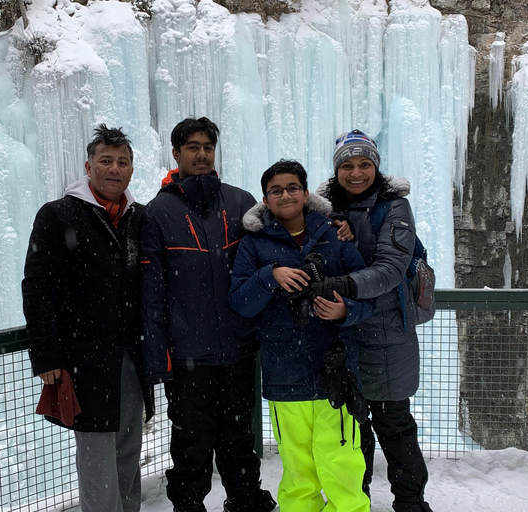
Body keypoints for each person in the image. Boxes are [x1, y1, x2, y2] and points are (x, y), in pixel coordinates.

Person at [140, 117, 276, 512]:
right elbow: (151, 293)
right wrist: (159, 357)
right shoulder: (158, 212)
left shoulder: (239, 202)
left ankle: (245, 499)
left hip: (237, 348)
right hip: (188, 356)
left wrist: (336, 227)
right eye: (192, 147)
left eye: (208, 147)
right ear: (176, 154)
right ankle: (188, 504)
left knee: (238, 436)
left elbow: (277, 246)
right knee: (190, 441)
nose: (201, 154)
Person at [228, 159, 374, 512]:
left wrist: (345, 312)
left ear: (306, 193)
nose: (286, 195)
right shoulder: (254, 245)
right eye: (276, 190)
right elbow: (241, 304)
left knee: (342, 463)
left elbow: (367, 296)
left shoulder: (334, 237)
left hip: (335, 372)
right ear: (266, 199)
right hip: (285, 374)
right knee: (297, 468)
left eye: (293, 187)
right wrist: (269, 276)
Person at [22, 124, 154, 512]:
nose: (115, 169)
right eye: (106, 161)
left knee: (129, 447)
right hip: (84, 359)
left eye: (123, 162)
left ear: (131, 170)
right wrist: (47, 358)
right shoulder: (58, 214)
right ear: (88, 165)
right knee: (97, 456)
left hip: (131, 355)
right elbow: (37, 287)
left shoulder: (138, 217)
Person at [317, 129, 433, 512]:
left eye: (365, 164)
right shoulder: (322, 208)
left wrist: (345, 283)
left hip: (386, 333)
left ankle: (411, 503)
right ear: (336, 170)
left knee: (393, 424)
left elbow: (391, 268)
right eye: (347, 165)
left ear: (376, 166)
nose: (356, 173)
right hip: (342, 331)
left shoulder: (394, 207)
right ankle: (357, 500)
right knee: (353, 429)